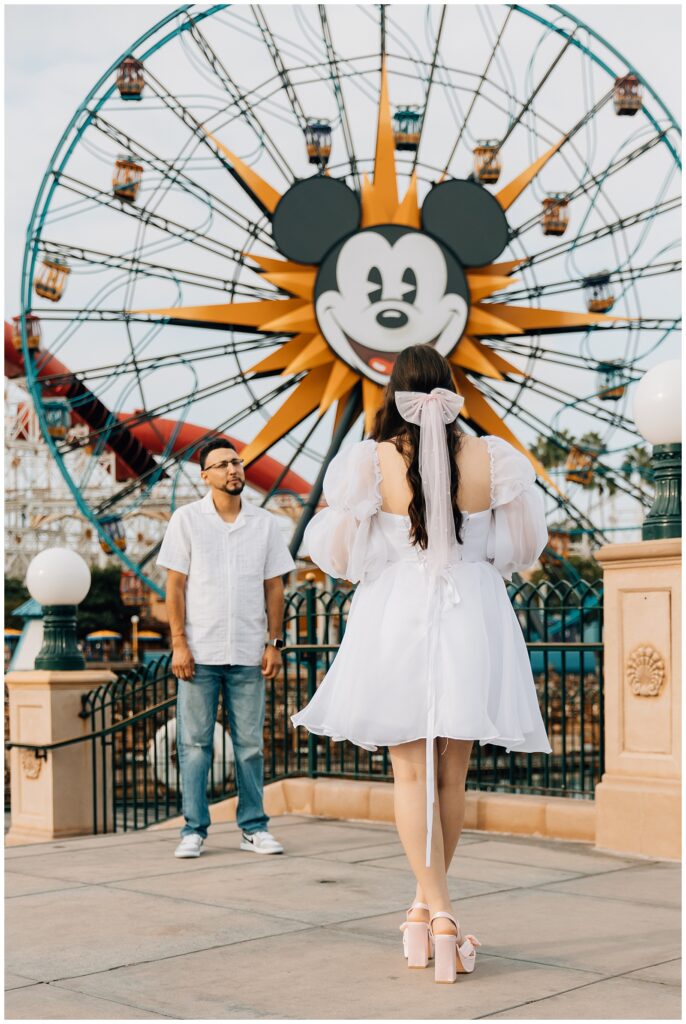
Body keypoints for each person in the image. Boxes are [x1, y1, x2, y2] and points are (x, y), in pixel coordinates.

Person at [292, 345, 551, 984]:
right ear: (451, 388)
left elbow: (346, 555)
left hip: (398, 613)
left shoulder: (365, 462)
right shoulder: (494, 460)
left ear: (393, 392)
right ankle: (427, 908)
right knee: (452, 777)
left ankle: (435, 916)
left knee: (410, 776)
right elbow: (518, 548)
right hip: (472, 613)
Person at [157, 439, 295, 859]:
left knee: (250, 744)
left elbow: (275, 586)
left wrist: (274, 643)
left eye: (236, 462)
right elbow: (175, 585)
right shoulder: (186, 520)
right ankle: (193, 829)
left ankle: (253, 827)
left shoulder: (266, 524)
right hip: (199, 652)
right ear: (206, 476)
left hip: (249, 652)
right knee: (194, 745)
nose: (233, 469)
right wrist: (179, 643)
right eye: (222, 465)